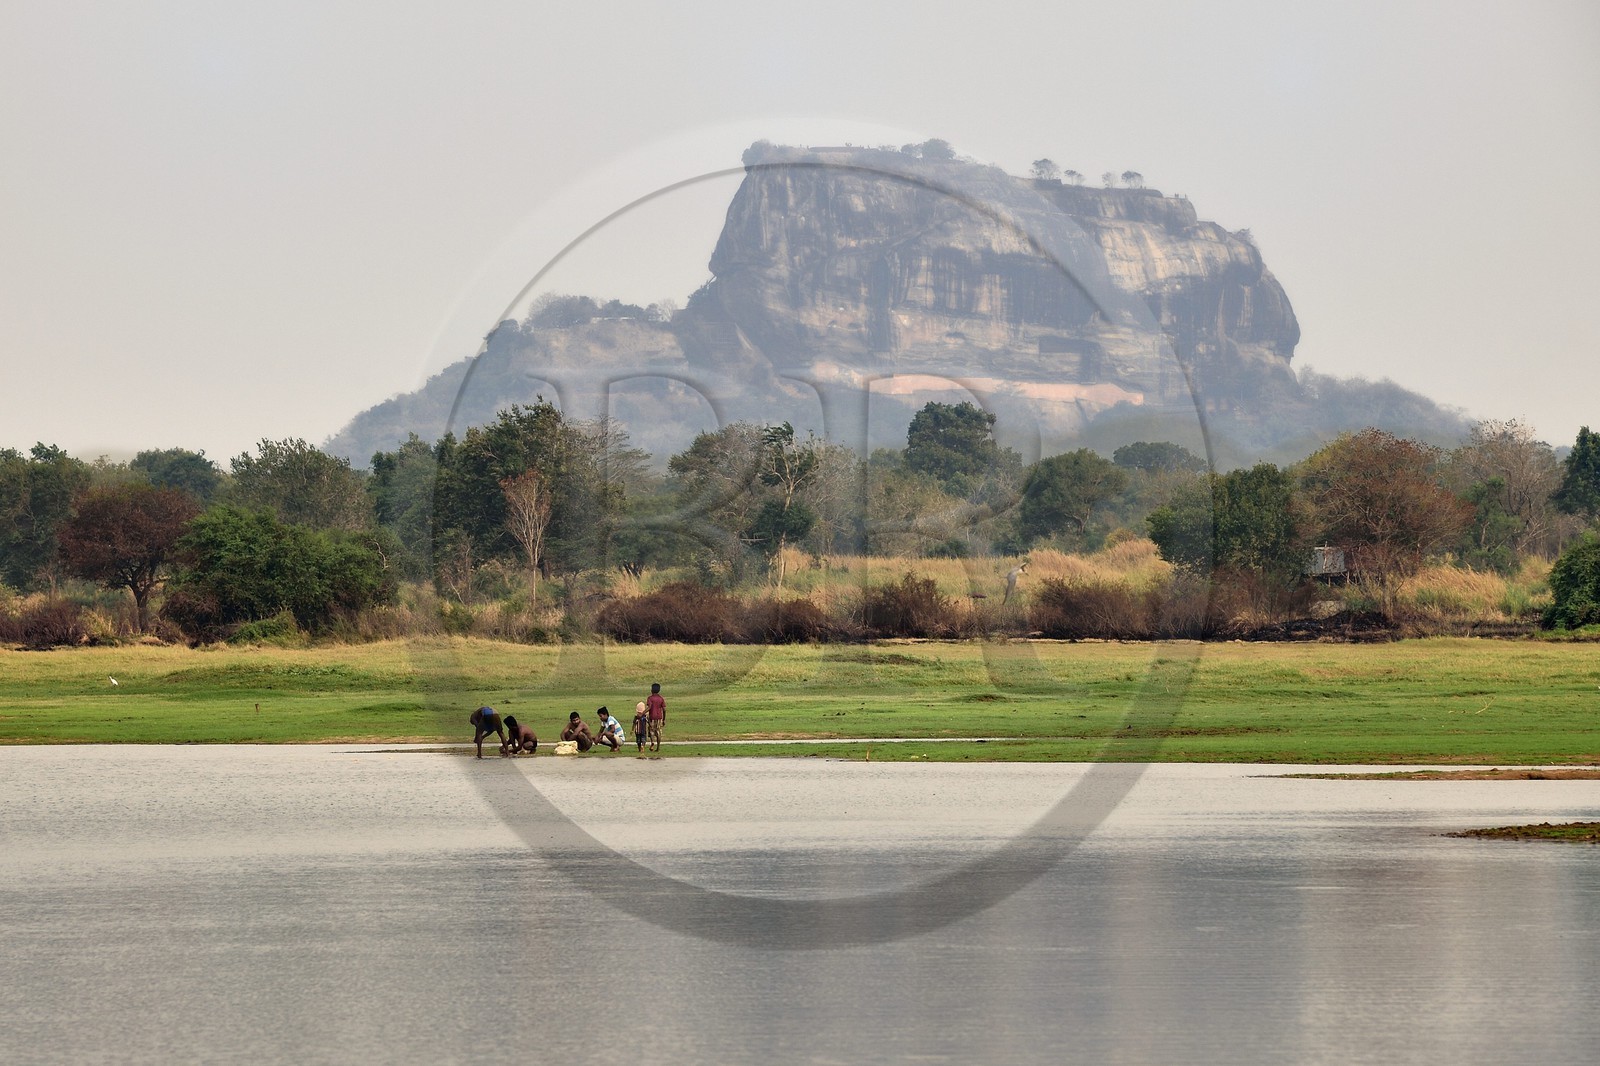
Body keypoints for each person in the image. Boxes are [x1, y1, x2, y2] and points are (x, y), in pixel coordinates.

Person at [645, 683, 666, 752]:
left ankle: (652, 742)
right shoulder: (661, 698)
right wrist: (664, 719)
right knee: (658, 731)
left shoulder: (650, 698)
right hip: (659, 717)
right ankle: (658, 747)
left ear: (652, 690)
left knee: (651, 731)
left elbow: (649, 707)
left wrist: (642, 713)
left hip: (652, 717)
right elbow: (664, 709)